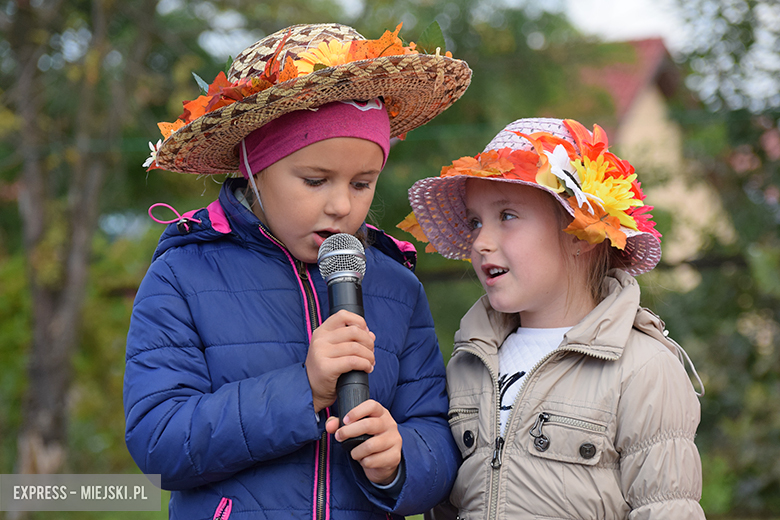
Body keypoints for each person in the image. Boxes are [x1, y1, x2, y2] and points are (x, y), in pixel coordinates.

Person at [123, 23, 472, 520]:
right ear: (254, 170)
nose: (340, 205)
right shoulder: (183, 276)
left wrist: (400, 461)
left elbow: (436, 435)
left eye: (362, 184)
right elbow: (158, 443)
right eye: (314, 180)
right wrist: (303, 390)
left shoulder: (397, 287)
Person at [401, 117, 706, 519]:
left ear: (580, 233)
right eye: (475, 222)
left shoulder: (642, 368)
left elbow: (666, 508)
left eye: (507, 215)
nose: (481, 242)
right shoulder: (469, 362)